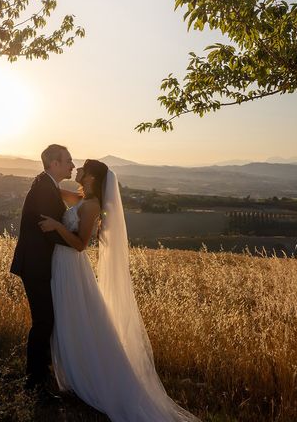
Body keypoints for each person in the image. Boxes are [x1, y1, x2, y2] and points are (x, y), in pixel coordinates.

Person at [39, 159, 200, 421]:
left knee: (75, 318)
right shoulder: (83, 198)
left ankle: (84, 376)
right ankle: (72, 371)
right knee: (70, 318)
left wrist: (57, 227)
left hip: (72, 265)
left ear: (90, 177)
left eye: (82, 169)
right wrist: (46, 181)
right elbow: (58, 193)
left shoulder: (92, 206)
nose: (77, 169)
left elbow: (81, 244)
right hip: (62, 264)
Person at [10, 144, 75, 393]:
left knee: (46, 318)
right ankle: (34, 378)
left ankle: (41, 370)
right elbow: (49, 230)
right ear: (54, 164)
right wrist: (78, 239)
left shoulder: (48, 185)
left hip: (38, 262)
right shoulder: (45, 189)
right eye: (68, 160)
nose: (72, 165)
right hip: (35, 264)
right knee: (44, 320)